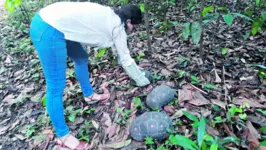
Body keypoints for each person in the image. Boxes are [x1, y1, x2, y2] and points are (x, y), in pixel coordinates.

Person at [29, 1, 150, 149]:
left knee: (81, 58)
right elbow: (125, 59)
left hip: (55, 21)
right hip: (48, 28)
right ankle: (63, 136)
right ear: (129, 21)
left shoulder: (112, 15)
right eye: (134, 27)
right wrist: (143, 80)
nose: (133, 30)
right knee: (55, 86)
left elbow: (118, 50)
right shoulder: (118, 27)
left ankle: (89, 95)